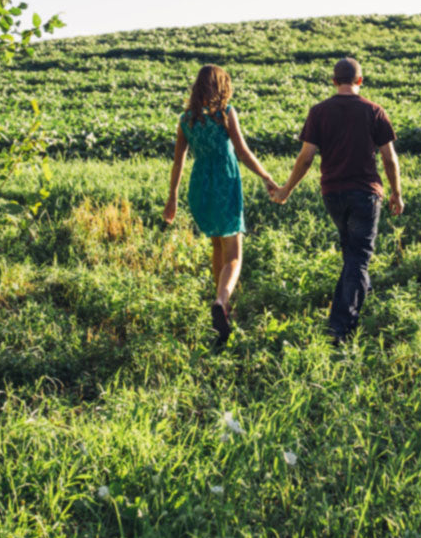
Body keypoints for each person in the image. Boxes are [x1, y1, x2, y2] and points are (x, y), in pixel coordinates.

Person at [271, 57, 403, 341]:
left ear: (333, 81)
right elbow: (389, 158)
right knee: (358, 257)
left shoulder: (319, 112)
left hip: (332, 194)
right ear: (360, 81)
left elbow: (306, 158)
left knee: (351, 253)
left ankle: (358, 293)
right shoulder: (374, 111)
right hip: (365, 194)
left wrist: (287, 189)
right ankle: (340, 328)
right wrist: (396, 192)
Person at [163, 64, 277, 342]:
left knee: (217, 245)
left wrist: (172, 198)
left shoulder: (185, 119)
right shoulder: (225, 113)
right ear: (220, 86)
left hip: (200, 187)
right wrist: (266, 175)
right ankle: (221, 302)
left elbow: (178, 162)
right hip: (225, 184)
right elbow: (242, 150)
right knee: (234, 253)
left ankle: (222, 306)